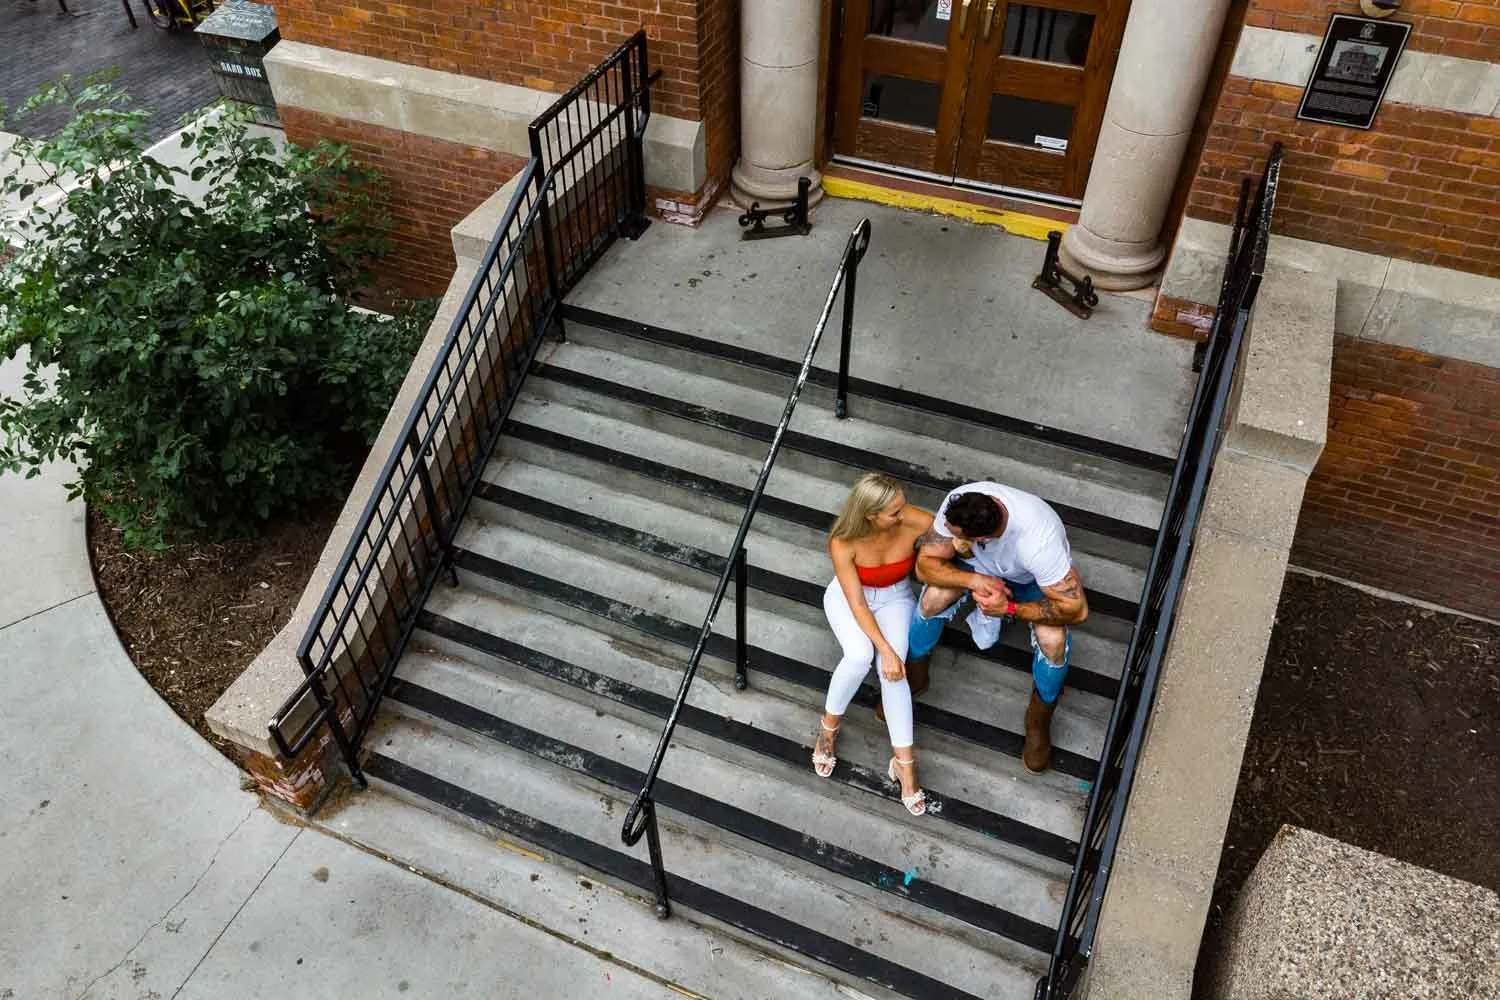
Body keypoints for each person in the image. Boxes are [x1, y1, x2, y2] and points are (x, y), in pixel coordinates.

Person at [905, 482, 1088, 773]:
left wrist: (1009, 609)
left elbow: (1077, 610)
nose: (947, 535)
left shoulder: (1038, 543)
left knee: (1053, 642)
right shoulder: (960, 504)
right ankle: (915, 672)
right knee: (932, 599)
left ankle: (1038, 720)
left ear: (983, 537)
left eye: (957, 537)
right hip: (979, 569)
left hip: (1030, 580)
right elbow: (924, 566)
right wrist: (976, 581)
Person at [813, 473, 932, 816]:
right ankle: (827, 730)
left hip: (896, 595)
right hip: (852, 598)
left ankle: (905, 764)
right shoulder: (843, 541)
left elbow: (950, 536)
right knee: (860, 655)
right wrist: (887, 649)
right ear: (870, 515)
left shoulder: (911, 519)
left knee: (893, 673)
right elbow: (857, 605)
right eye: (894, 512)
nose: (903, 514)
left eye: (902, 506)